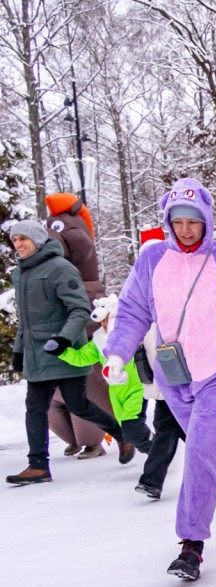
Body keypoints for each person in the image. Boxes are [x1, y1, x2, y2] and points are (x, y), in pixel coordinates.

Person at [103, 177, 216, 581]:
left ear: (207, 220)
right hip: (175, 376)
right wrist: (117, 353)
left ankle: (191, 546)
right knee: (213, 450)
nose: (185, 229)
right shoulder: (151, 260)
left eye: (193, 221)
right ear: (168, 221)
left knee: (199, 447)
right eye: (177, 221)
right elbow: (130, 311)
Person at [5, 220, 133, 486]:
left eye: (23, 239)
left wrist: (63, 339)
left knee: (79, 405)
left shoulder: (60, 269)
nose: (18, 244)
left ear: (37, 240)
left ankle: (121, 434)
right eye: (14, 239)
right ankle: (38, 465)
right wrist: (19, 350)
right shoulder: (21, 273)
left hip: (63, 352)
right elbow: (25, 320)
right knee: (34, 408)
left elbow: (78, 309)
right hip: (37, 354)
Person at [45, 193, 114, 459]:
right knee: (55, 391)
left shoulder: (83, 288)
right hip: (58, 350)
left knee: (89, 380)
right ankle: (74, 437)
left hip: (83, 338)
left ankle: (93, 438)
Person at [57, 294, 153, 455]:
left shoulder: (130, 334)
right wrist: (62, 351)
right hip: (115, 390)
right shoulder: (99, 340)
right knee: (129, 430)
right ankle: (157, 450)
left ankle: (157, 452)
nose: (104, 324)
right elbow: (82, 358)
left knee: (132, 426)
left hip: (136, 387)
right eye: (102, 320)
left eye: (108, 319)